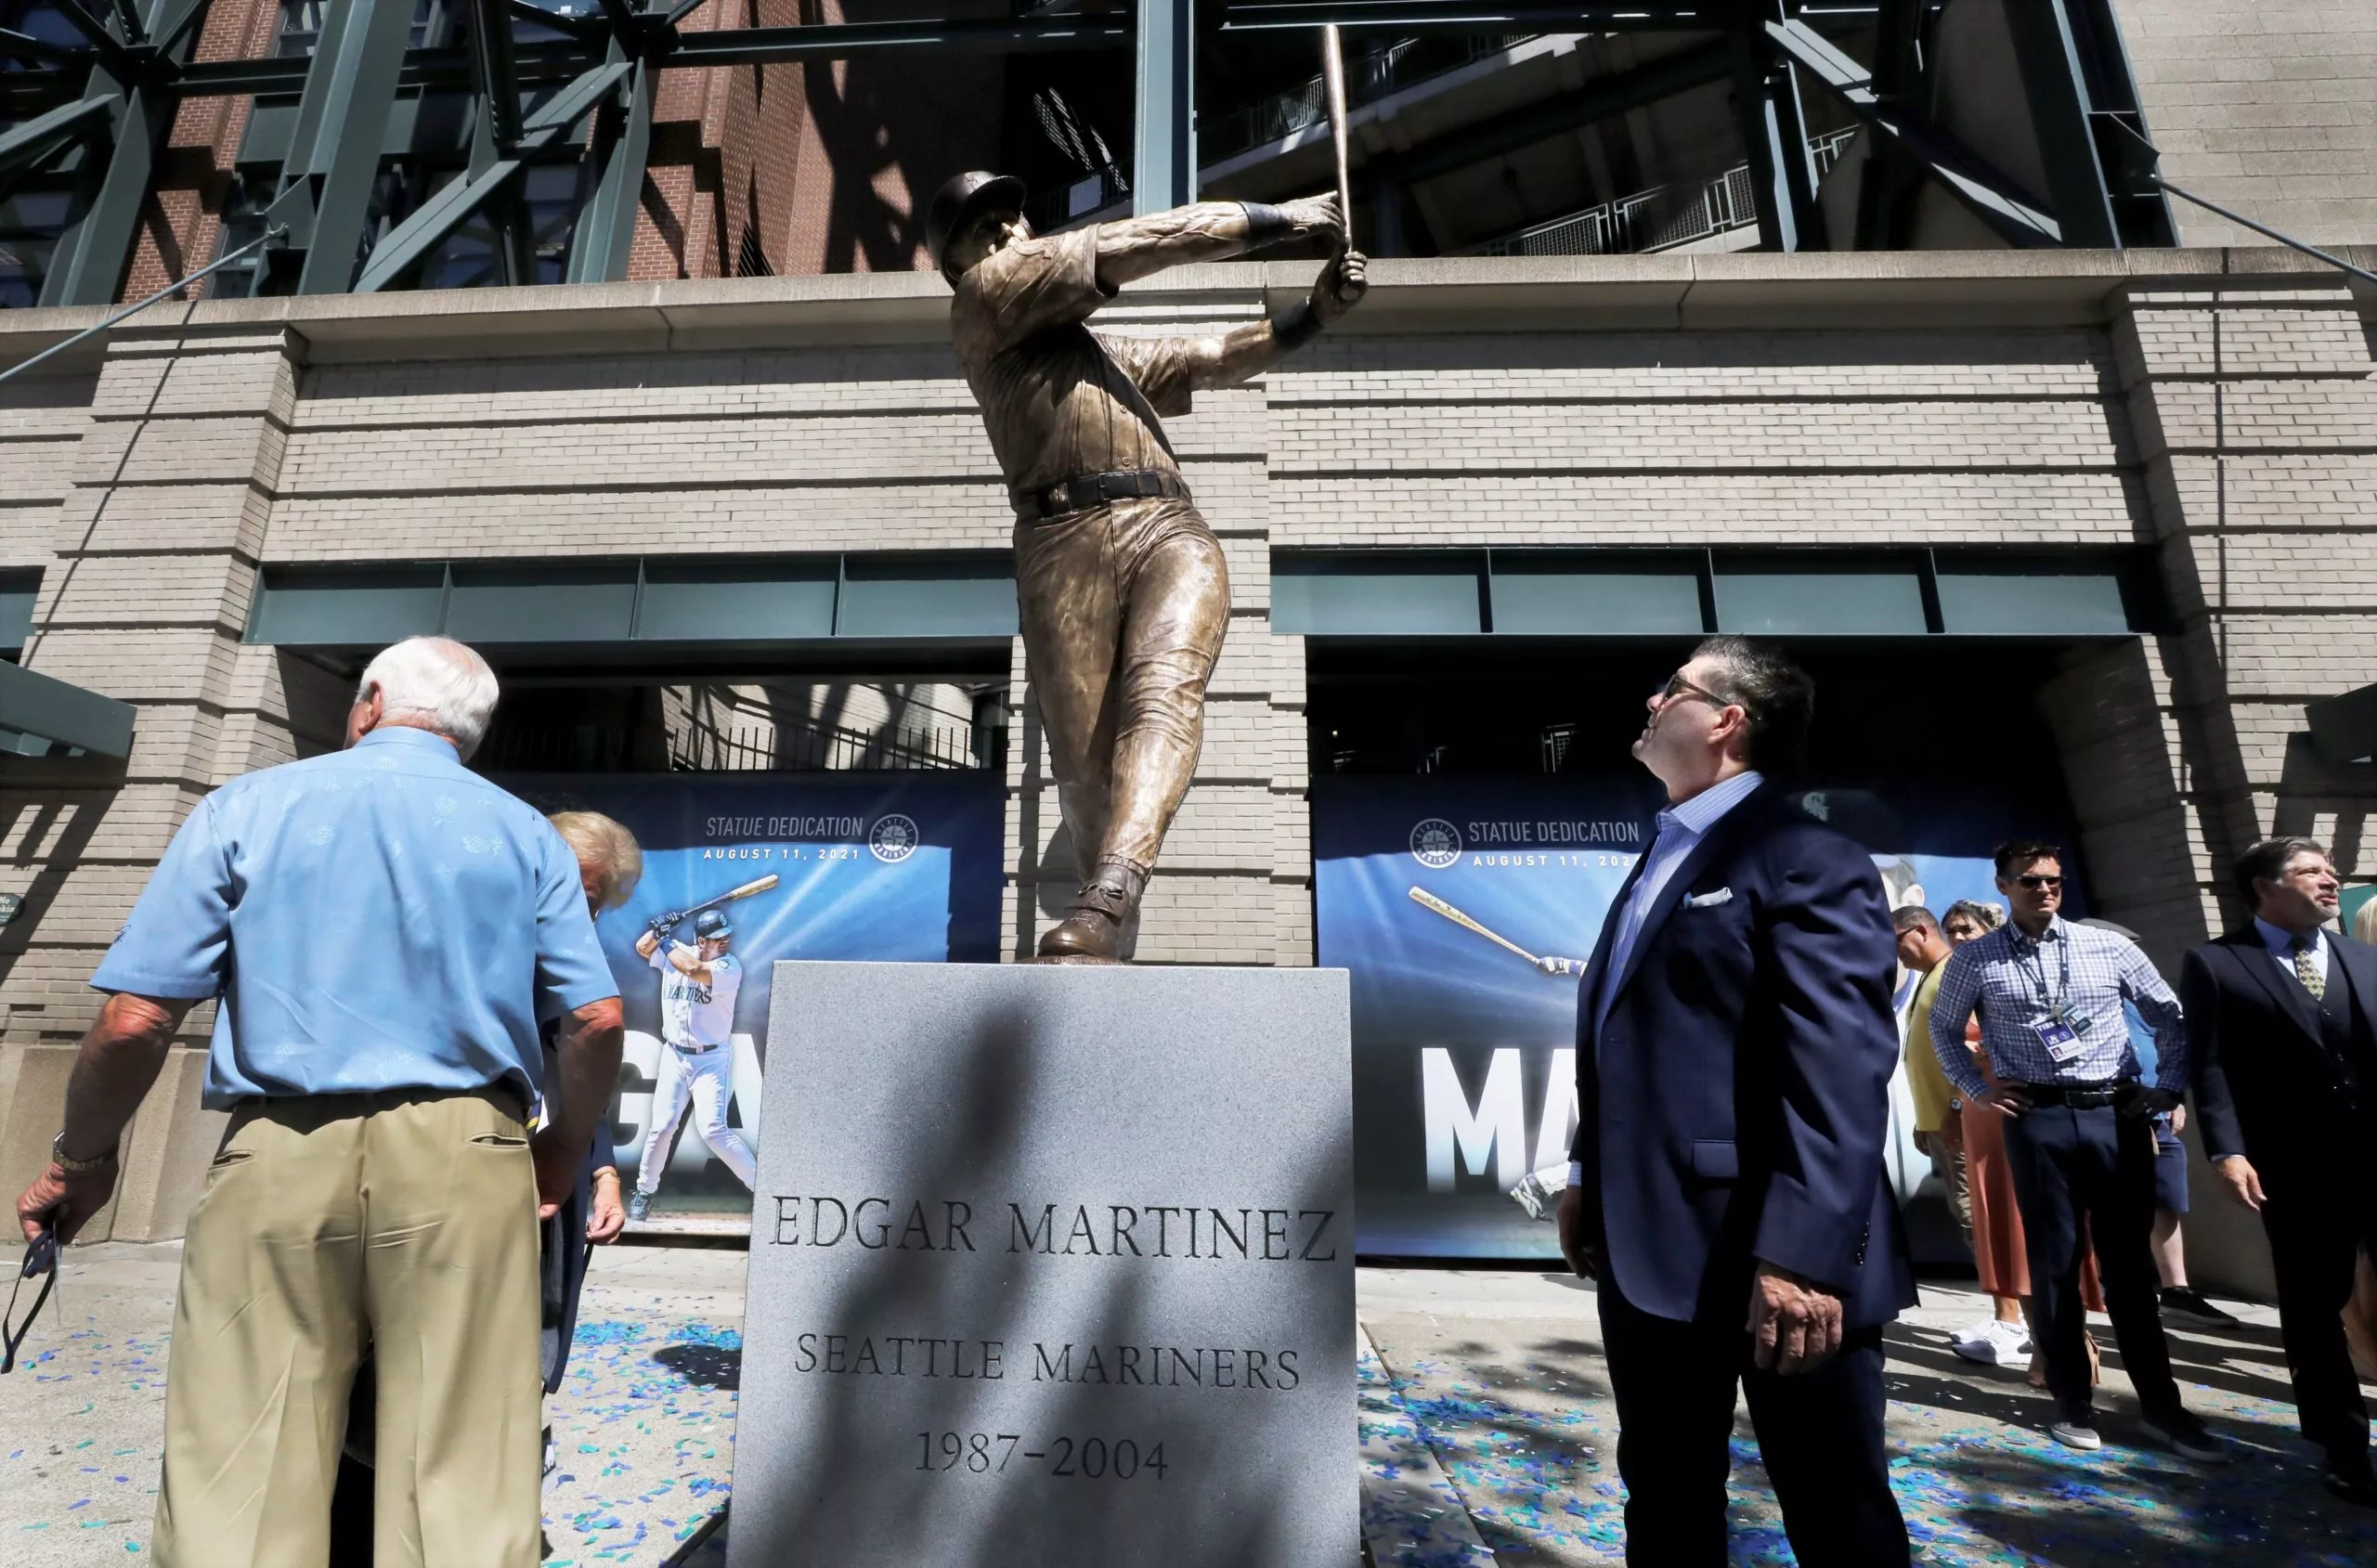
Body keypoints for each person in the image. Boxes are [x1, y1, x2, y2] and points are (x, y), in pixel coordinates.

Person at [12, 636, 623, 1567]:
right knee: (461, 1470)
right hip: (470, 1152)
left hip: (280, 1150)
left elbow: (137, 1020)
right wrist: (566, 1147)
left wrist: (82, 1160)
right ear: (473, 730)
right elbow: (595, 1019)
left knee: (241, 1468)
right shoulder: (524, 833)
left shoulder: (248, 806)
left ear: (369, 699)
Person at [929, 171, 1366, 958]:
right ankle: (1106, 930)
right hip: (1063, 545)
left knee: (1165, 695)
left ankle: (1110, 893)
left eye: (1010, 218)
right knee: (1087, 779)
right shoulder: (985, 302)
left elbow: (1207, 359)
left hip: (1167, 523)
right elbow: (1142, 241)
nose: (1002, 235)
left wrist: (1314, 314)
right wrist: (1284, 217)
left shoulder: (1093, 356)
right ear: (960, 266)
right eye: (979, 231)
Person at [1554, 636, 1913, 1566]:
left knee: (1835, 1513)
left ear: (1726, 721)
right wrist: (1586, 1173)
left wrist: (1801, 1258)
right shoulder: (1660, 856)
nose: (1647, 697)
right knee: (1667, 1502)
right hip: (1647, 1257)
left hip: (1778, 1265)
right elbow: (1633, 1046)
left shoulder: (1803, 853)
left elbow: (1837, 1064)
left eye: (1671, 687)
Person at [1929, 840, 2220, 1458]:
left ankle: (2161, 1407)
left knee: (2129, 1267)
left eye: (2054, 880)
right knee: (2055, 1262)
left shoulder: (2108, 946)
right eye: (2030, 880)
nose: (2045, 890)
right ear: (2004, 885)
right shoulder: (1975, 959)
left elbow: (2170, 1016)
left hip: (2115, 1110)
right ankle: (2071, 1397)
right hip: (2038, 1115)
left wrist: (2167, 1084)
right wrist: (1977, 1088)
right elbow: (1944, 1030)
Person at [2182, 836, 2377, 1504]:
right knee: (2314, 1306)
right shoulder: (2218, 963)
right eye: (2312, 871)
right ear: (2266, 886)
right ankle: (2344, 1448)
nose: (2332, 879)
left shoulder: (2362, 958)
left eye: (2331, 869)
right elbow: (2207, 1066)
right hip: (2295, 1167)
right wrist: (2226, 1148)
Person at [1899, 906, 2026, 1355]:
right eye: (1952, 929)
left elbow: (1975, 1045)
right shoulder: (1935, 975)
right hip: (1948, 1122)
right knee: (1972, 1217)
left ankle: (2013, 1322)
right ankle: (2009, 1316)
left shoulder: (1959, 971)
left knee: (1982, 1218)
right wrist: (1926, 1119)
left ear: (1918, 931)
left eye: (1897, 940)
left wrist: (1955, 1105)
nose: (1894, 953)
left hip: (1969, 1118)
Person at [628, 906, 755, 1222]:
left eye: (725, 937)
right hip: (675, 1054)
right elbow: (643, 948)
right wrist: (657, 931)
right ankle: (645, 1191)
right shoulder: (676, 952)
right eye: (715, 939)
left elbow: (693, 970)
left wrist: (666, 939)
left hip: (710, 1058)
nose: (723, 942)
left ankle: (762, 1189)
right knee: (663, 1126)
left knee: (712, 1130)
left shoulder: (728, 967)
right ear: (700, 940)